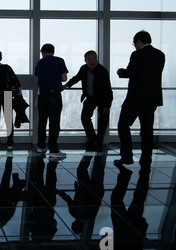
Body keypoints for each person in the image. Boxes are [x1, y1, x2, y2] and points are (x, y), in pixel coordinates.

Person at [115, 31, 165, 166]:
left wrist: (120, 71)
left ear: (138, 41)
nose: (134, 46)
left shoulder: (137, 54)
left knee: (123, 125)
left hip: (135, 98)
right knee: (147, 130)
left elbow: (131, 72)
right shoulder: (160, 55)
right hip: (152, 99)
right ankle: (146, 158)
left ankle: (127, 156)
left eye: (134, 43)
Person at [64, 50, 113, 151]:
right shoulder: (84, 68)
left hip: (103, 99)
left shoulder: (102, 70)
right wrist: (67, 85)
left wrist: (107, 105)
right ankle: (92, 138)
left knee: (103, 121)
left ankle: (98, 142)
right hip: (90, 98)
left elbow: (107, 88)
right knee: (85, 117)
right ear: (85, 60)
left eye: (94, 58)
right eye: (89, 59)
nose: (92, 61)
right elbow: (77, 78)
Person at [35, 44, 68, 158]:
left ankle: (40, 146)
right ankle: (53, 149)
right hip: (54, 94)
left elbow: (38, 78)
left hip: (42, 95)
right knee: (54, 122)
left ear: (42, 52)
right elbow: (64, 78)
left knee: (42, 121)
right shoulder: (59, 61)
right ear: (53, 51)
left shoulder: (39, 63)